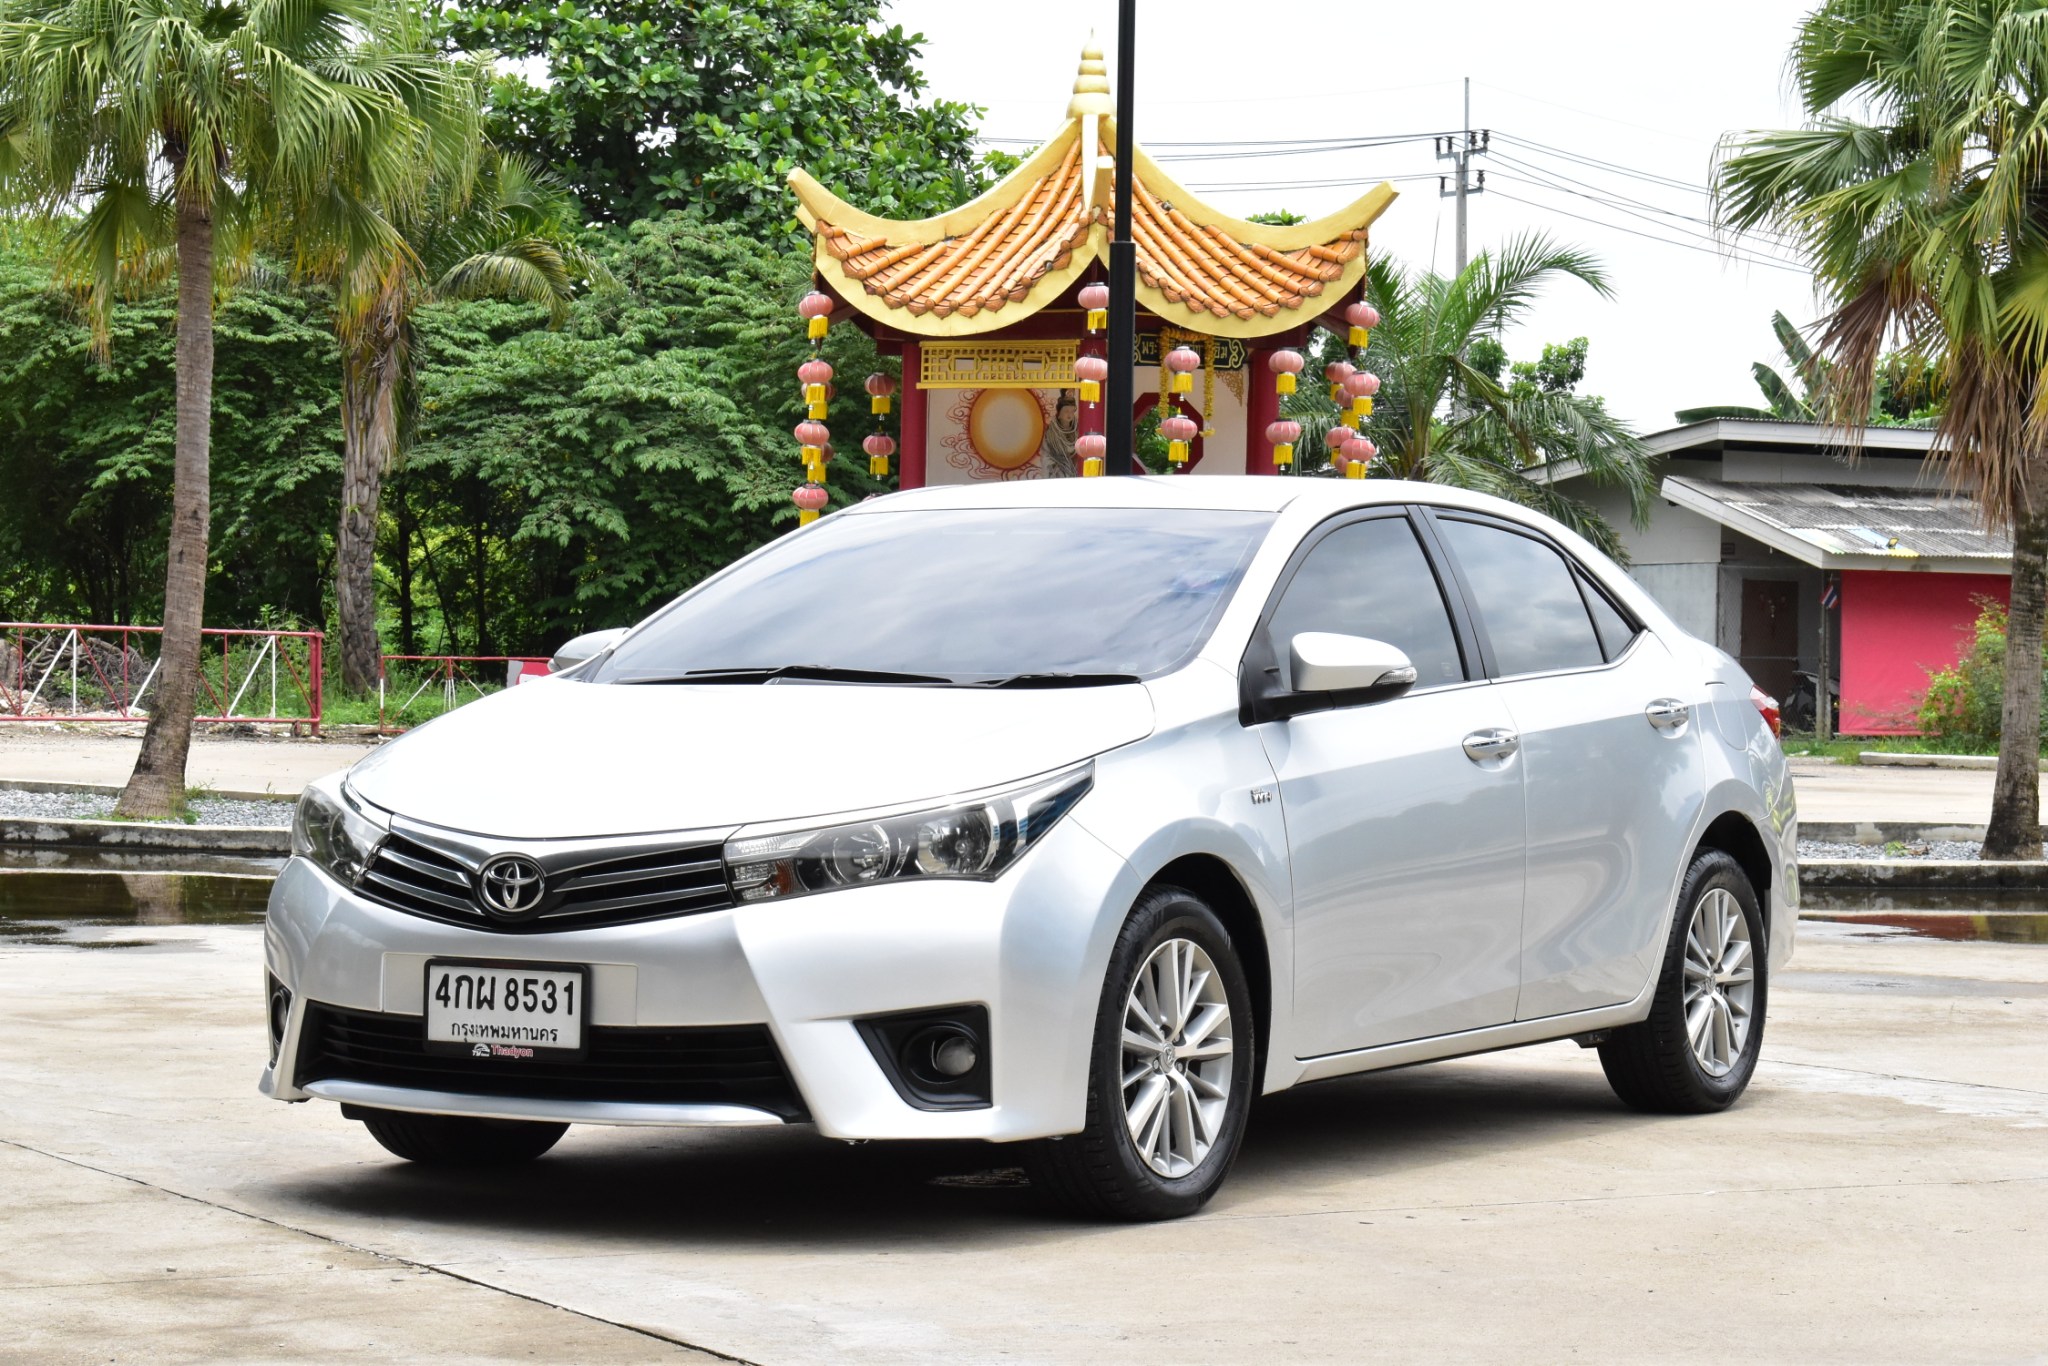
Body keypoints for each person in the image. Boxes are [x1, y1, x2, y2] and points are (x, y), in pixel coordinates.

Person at [1036, 391, 1078, 478]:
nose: (1069, 414)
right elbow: (1046, 454)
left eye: (1072, 411)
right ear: (1059, 414)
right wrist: (1056, 464)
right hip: (1057, 473)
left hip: (1073, 471)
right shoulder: (1051, 433)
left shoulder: (1078, 430)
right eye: (1066, 411)